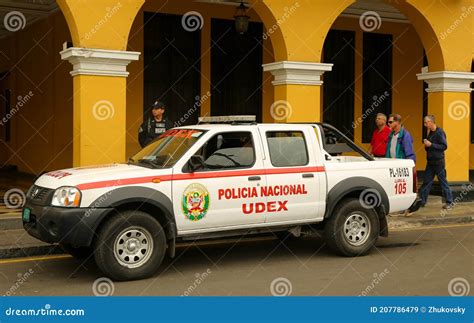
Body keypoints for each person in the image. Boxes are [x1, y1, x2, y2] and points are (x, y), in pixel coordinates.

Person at [419, 115, 453, 209]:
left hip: (438, 162)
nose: (425, 125)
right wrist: (427, 145)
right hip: (430, 162)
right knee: (427, 181)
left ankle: (449, 202)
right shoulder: (430, 132)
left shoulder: (439, 132)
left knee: (443, 182)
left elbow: (444, 146)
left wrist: (431, 144)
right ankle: (422, 201)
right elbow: (430, 148)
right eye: (424, 123)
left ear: (431, 122)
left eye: (426, 123)